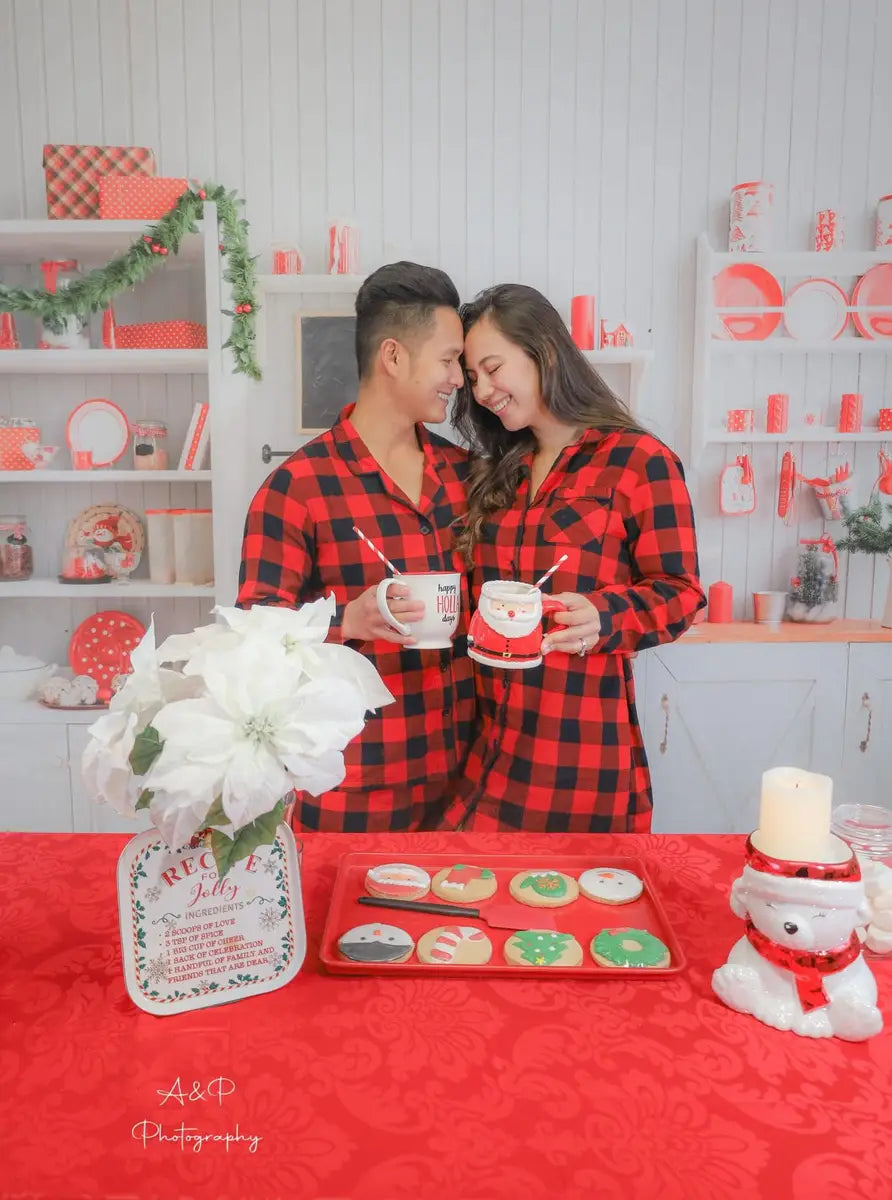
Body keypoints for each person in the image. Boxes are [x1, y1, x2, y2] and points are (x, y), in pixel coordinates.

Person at [446, 283, 705, 833]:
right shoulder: (500, 471)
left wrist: (605, 616)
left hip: (581, 763)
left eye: (493, 368)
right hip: (490, 752)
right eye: (472, 378)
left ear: (544, 350)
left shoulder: (639, 462)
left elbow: (681, 593)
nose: (483, 390)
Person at [237, 262, 474, 832]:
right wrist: (350, 620)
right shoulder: (296, 488)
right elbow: (253, 636)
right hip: (354, 787)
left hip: (468, 783)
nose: (459, 379)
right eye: (448, 360)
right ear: (393, 356)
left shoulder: (467, 476)